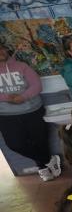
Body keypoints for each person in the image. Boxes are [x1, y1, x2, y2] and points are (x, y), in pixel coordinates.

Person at [0, 42, 59, 180]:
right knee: (15, 144)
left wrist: (23, 96)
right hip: (6, 115)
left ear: (6, 49)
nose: (0, 52)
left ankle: (43, 168)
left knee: (39, 141)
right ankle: (48, 160)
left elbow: (37, 85)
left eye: (1, 48)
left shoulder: (22, 66)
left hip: (32, 110)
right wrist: (8, 97)